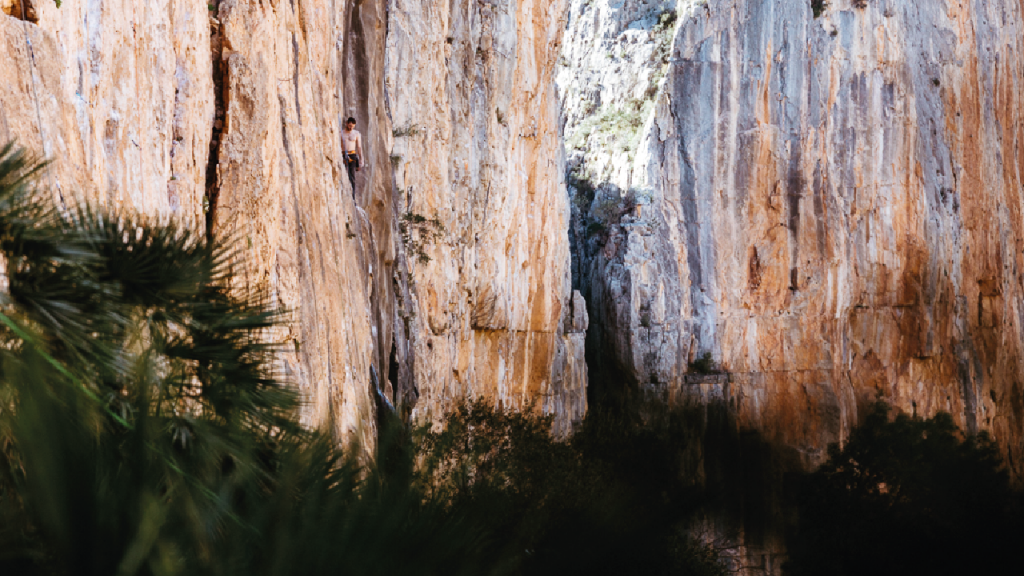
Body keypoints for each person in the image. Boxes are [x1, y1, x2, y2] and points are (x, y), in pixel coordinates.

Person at [342, 117, 363, 193]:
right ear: (347, 123)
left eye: (352, 126)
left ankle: (353, 197)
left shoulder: (356, 133)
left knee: (353, 177)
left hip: (353, 155)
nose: (351, 127)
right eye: (350, 125)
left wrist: (361, 159)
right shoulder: (341, 133)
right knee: (344, 175)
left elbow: (359, 147)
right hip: (343, 155)